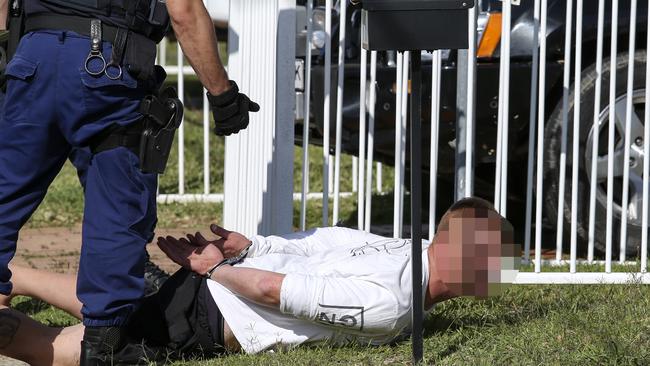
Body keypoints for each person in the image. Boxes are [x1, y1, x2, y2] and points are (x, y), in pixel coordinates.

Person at [0, 0, 259, 363]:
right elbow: (184, 12)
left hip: (32, 61)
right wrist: (223, 96)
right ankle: (105, 349)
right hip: (107, 68)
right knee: (117, 213)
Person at [0, 197, 520, 364]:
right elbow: (281, 293)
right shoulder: (400, 305)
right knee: (98, 349)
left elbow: (319, 242)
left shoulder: (397, 249)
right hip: (215, 312)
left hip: (213, 291)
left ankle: (14, 275)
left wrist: (243, 251)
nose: (494, 276)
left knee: (124, 304)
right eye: (491, 263)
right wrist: (224, 267)